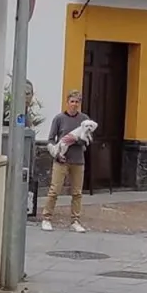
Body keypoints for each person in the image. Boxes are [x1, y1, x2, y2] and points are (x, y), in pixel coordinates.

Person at [41, 90, 91, 233]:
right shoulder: (59, 119)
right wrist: (56, 154)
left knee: (77, 192)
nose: (74, 104)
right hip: (61, 160)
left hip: (78, 160)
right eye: (72, 101)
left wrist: (78, 140)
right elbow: (51, 140)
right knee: (54, 190)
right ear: (67, 102)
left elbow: (87, 140)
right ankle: (46, 218)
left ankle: (75, 220)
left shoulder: (85, 120)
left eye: (77, 102)